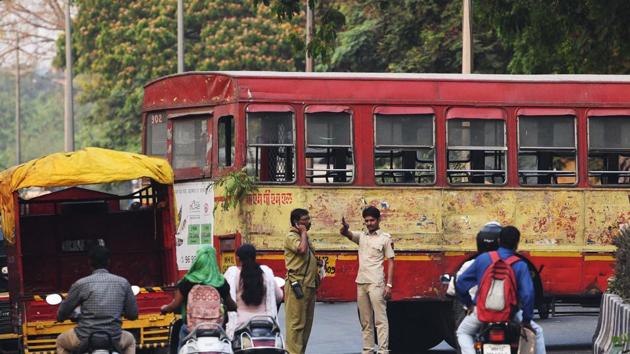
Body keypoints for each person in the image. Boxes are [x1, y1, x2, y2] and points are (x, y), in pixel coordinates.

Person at [455, 226, 546, 354]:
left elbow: (460, 283)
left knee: (463, 332)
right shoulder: (520, 265)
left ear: (498, 240)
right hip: (510, 313)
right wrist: (526, 321)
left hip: (481, 312)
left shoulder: (483, 259)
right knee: (538, 333)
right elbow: (528, 295)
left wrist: (469, 304)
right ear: (517, 244)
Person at [56, 245, 138, 354]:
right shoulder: (123, 283)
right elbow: (133, 314)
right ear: (109, 262)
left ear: (89, 262)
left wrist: (61, 317)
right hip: (114, 338)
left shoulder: (80, 284)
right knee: (131, 340)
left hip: (84, 337)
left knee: (61, 341)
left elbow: (62, 313)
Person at [340, 206, 395, 354]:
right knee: (365, 321)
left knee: (380, 320)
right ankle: (368, 350)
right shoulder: (361, 236)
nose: (369, 223)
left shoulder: (385, 238)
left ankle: (383, 351)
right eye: (367, 221)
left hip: (377, 283)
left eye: (372, 220)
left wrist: (389, 284)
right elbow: (346, 234)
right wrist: (345, 228)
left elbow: (391, 261)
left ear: (378, 220)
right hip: (361, 283)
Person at [160, 245, 237, 349]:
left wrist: (165, 308)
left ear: (197, 261)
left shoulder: (187, 282)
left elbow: (175, 305)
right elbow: (231, 305)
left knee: (179, 331)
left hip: (190, 330)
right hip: (216, 329)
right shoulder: (221, 282)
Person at [224, 243, 283, 338]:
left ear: (238, 259)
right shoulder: (266, 273)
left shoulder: (232, 274)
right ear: (255, 257)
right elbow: (279, 297)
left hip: (240, 327)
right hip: (266, 325)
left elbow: (225, 299)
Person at [284, 208, 320, 354]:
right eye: (305, 220)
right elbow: (302, 250)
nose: (309, 222)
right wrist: (304, 232)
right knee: (296, 324)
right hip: (296, 285)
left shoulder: (303, 236)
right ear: (297, 223)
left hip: (309, 285)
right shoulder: (291, 236)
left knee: (306, 324)